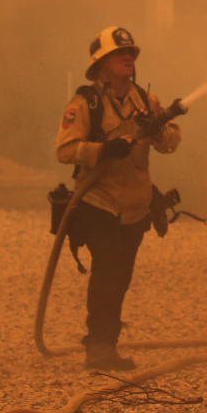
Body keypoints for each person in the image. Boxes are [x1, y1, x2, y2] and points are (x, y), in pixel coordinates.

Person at [56, 26, 182, 371]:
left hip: (136, 206)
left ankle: (105, 343)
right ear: (101, 64)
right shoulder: (85, 104)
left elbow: (170, 144)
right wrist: (103, 149)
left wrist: (158, 130)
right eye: (119, 54)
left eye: (132, 54)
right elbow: (64, 151)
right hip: (100, 203)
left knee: (121, 277)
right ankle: (98, 347)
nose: (129, 58)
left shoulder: (146, 101)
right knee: (107, 274)